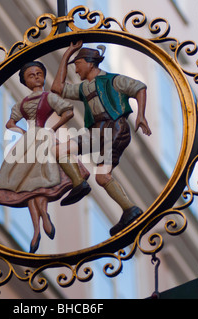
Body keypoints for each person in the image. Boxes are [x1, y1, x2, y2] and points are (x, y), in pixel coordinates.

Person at [51, 41, 152, 236]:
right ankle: (79, 183)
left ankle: (131, 209)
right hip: (96, 132)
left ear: (89, 63)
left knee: (102, 176)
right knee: (58, 150)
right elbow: (58, 88)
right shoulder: (83, 88)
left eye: (77, 64)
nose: (76, 70)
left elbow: (139, 87)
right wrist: (68, 54)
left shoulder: (113, 80)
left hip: (115, 129)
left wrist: (141, 115)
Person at [0, 61, 89, 254]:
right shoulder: (22, 103)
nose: (35, 77)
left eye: (38, 73)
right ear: (25, 81)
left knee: (40, 182)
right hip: (29, 141)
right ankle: (37, 228)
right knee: (30, 187)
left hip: (43, 137)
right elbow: (10, 123)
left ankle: (42, 219)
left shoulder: (49, 97)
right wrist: (22, 131)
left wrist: (52, 129)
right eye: (30, 75)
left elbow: (68, 112)